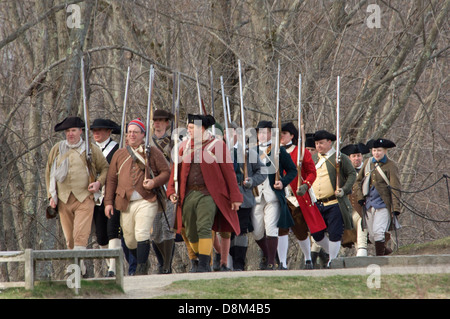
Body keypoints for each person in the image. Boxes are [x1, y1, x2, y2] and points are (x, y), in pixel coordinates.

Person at [166, 114, 243, 272]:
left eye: (191, 127)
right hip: (188, 194)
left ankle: (203, 265)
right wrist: (172, 191)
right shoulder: (183, 146)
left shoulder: (218, 145)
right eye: (188, 127)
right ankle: (200, 257)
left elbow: (229, 173)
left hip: (209, 194)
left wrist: (235, 197)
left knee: (204, 227)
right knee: (189, 230)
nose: (188, 129)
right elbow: (175, 172)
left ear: (201, 128)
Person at [104, 118, 170, 275]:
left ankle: (140, 268)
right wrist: (108, 202)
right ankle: (143, 261)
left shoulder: (152, 152)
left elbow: (166, 172)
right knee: (129, 240)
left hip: (147, 200)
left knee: (142, 232)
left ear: (143, 135)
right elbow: (111, 179)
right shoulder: (119, 154)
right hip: (125, 202)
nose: (132, 135)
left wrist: (154, 182)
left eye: (135, 132)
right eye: (129, 132)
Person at [45, 116, 109, 275]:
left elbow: (105, 169)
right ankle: (80, 268)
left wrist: (98, 183)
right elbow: (48, 173)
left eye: (73, 130)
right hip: (63, 199)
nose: (70, 134)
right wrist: (51, 196)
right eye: (67, 131)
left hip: (85, 197)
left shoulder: (90, 149)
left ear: (81, 131)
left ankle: (75, 269)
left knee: (80, 235)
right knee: (70, 239)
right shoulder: (57, 149)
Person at [278, 122, 327, 269]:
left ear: (292, 136)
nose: (281, 136)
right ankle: (282, 262)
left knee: (300, 230)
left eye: (284, 133)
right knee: (282, 230)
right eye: (280, 133)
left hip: (296, 196)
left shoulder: (301, 152)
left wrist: (305, 185)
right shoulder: (274, 151)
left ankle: (307, 258)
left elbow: (312, 172)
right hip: (280, 195)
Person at [252, 120, 297, 270]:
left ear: (271, 133)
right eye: (260, 132)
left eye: (265, 132)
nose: (262, 135)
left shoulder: (279, 151)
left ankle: (271, 262)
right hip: (256, 196)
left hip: (272, 196)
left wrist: (283, 182)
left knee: (271, 228)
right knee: (257, 232)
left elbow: (292, 170)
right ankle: (270, 254)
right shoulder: (252, 151)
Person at [311, 130, 356, 267]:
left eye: (321, 143)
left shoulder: (339, 158)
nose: (319, 146)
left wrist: (344, 189)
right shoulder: (313, 159)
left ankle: (332, 260)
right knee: (316, 234)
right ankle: (332, 254)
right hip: (317, 203)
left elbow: (352, 174)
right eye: (317, 143)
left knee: (335, 233)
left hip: (334, 202)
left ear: (329, 142)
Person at [224, 122, 265, 271]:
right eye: (225, 132)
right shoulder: (220, 152)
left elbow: (262, 172)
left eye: (231, 132)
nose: (228, 135)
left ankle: (239, 264)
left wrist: (251, 181)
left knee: (240, 231)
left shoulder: (249, 153)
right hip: (225, 199)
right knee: (226, 231)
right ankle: (225, 263)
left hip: (244, 198)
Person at [355, 138, 401, 256]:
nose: (376, 153)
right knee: (371, 236)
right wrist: (360, 197)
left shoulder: (391, 166)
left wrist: (396, 208)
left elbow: (395, 188)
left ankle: (379, 260)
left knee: (379, 232)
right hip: (368, 204)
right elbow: (357, 182)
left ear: (385, 151)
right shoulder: (367, 163)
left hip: (383, 204)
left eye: (379, 150)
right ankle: (389, 255)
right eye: (374, 150)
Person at [90, 118, 122, 276]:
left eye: (100, 130)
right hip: (95, 198)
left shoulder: (117, 149)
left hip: (113, 196)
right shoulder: (89, 150)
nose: (96, 133)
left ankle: (113, 269)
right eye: (94, 130)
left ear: (109, 132)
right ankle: (111, 265)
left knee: (112, 232)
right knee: (101, 236)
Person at [149, 109, 177, 274]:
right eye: (155, 120)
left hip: (170, 188)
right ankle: (161, 263)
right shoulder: (147, 142)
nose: (157, 123)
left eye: (161, 120)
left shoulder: (173, 141)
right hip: (152, 188)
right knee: (156, 230)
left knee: (167, 228)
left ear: (167, 123)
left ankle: (167, 265)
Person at [341, 143, 370, 256]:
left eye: (359, 155)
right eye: (354, 156)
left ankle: (362, 250)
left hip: (365, 206)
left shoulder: (368, 170)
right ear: (349, 158)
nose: (357, 158)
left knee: (362, 220)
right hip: (348, 207)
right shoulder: (344, 173)